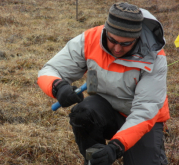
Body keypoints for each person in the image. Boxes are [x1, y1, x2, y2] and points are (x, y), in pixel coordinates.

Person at [37, 2, 170, 165]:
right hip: (105, 108)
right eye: (112, 40)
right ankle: (95, 160)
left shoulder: (154, 56)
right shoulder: (90, 39)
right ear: (106, 30)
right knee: (82, 113)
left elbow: (145, 109)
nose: (117, 49)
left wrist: (116, 147)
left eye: (125, 43)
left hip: (143, 119)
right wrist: (58, 87)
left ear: (137, 37)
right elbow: (50, 69)